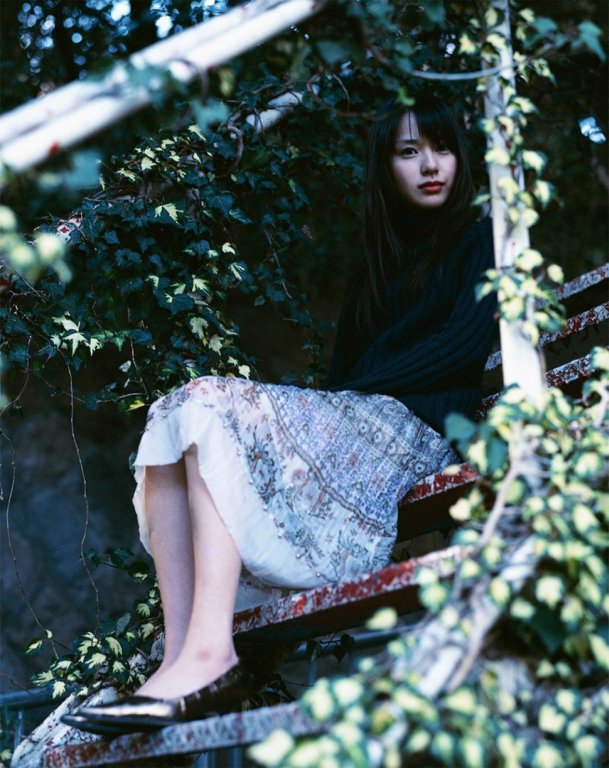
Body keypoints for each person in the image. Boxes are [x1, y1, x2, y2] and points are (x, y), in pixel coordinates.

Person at [63, 94, 497, 736]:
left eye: (442, 149)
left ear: (462, 158)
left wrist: (350, 397)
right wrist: (345, 399)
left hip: (417, 435)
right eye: (409, 152)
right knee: (175, 413)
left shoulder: (482, 238)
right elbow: (345, 381)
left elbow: (460, 348)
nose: (430, 165)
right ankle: (181, 660)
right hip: (361, 422)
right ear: (386, 168)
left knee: (210, 403)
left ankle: (209, 657)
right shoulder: (377, 268)